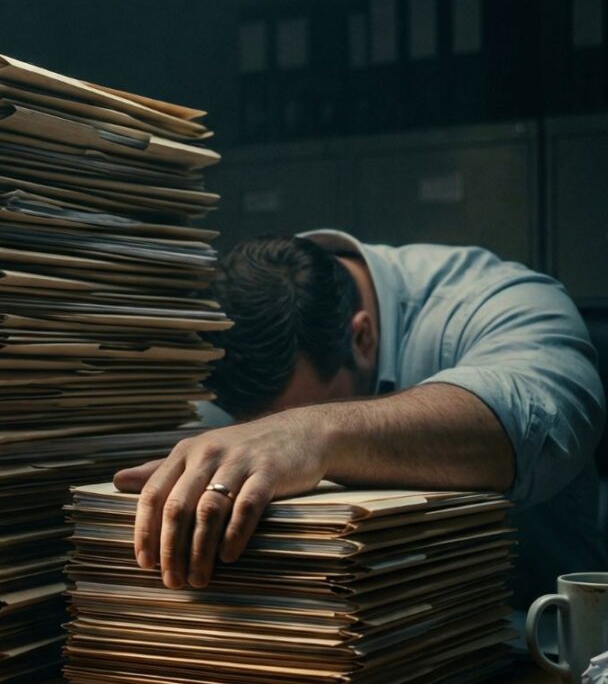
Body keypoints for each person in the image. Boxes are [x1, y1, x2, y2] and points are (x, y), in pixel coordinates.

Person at [113, 230, 606, 607]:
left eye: (285, 417)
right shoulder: (249, 317)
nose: (265, 442)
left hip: (536, 643)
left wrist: (312, 432)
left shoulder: (498, 299)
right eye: (252, 423)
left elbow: (538, 422)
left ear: (362, 337)